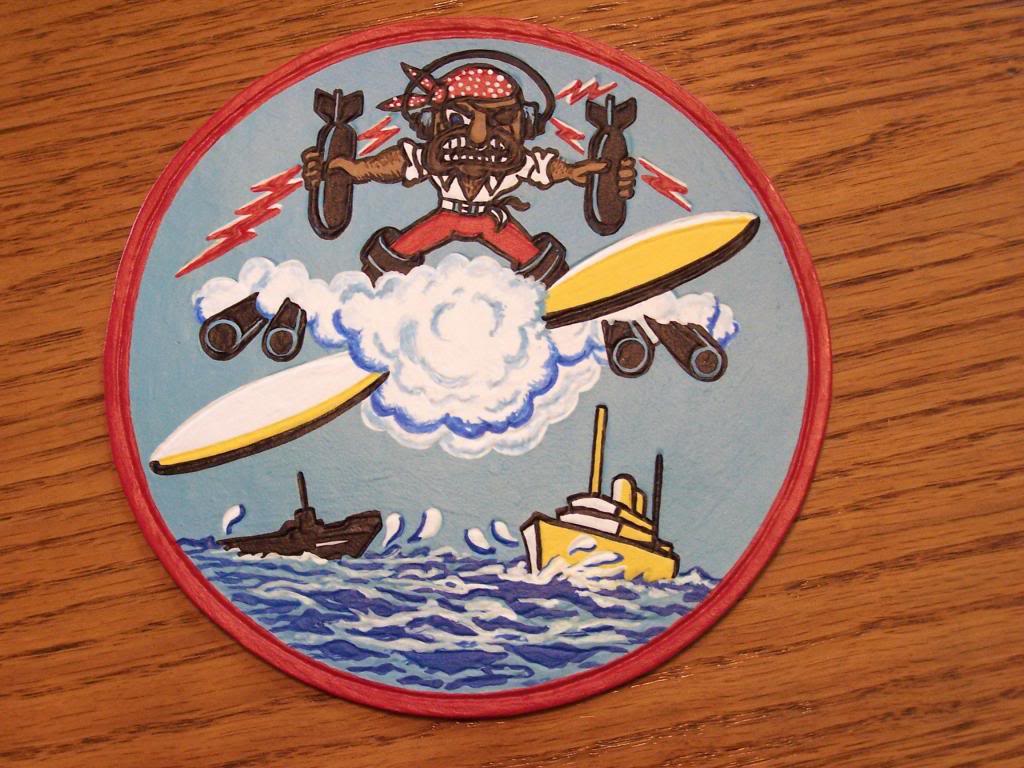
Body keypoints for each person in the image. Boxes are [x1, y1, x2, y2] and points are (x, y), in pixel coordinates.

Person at [301, 61, 636, 285]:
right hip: (445, 219)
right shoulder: (435, 157)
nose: (478, 136)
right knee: (391, 260)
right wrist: (352, 169)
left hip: (492, 223)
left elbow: (547, 167)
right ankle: (372, 289)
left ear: (525, 124)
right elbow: (398, 162)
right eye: (458, 119)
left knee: (541, 266)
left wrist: (579, 173)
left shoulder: (514, 161)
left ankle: (565, 294)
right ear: (432, 124)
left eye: (498, 120)